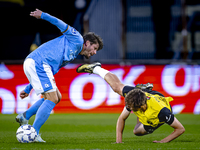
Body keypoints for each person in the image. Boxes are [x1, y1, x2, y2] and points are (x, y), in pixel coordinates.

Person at [15, 9, 103, 142]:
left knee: (57, 96)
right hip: (39, 62)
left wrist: (28, 89)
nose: (95, 52)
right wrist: (43, 15)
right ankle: (34, 133)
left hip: (39, 65)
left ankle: (25, 116)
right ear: (87, 43)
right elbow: (59, 23)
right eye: (95, 48)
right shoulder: (77, 39)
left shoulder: (72, 53)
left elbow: (47, 73)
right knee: (52, 98)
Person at [76, 62, 185, 143]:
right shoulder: (132, 100)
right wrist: (119, 141)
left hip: (157, 104)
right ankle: (96, 68)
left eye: (132, 108)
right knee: (116, 87)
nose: (129, 108)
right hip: (140, 94)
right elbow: (122, 118)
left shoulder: (162, 112)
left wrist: (163, 141)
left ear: (141, 106)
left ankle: (145, 90)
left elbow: (180, 129)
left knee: (137, 132)